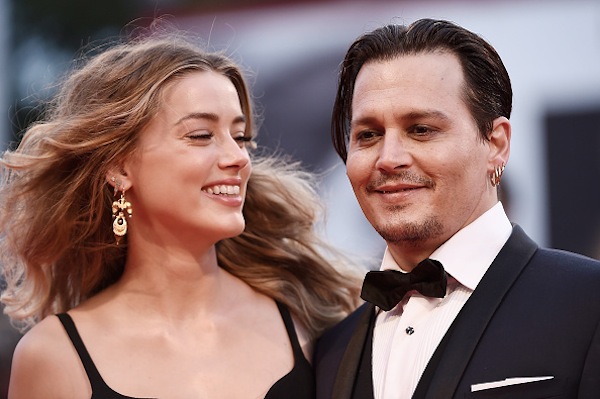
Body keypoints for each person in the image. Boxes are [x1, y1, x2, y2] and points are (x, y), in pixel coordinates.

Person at [0, 30, 361, 399]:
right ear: (120, 167)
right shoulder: (54, 357)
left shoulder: (310, 319)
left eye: (240, 137)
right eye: (202, 135)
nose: (239, 158)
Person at [314, 18, 600, 399]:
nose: (389, 158)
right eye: (369, 135)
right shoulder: (329, 352)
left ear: (495, 144)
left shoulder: (588, 304)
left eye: (421, 129)